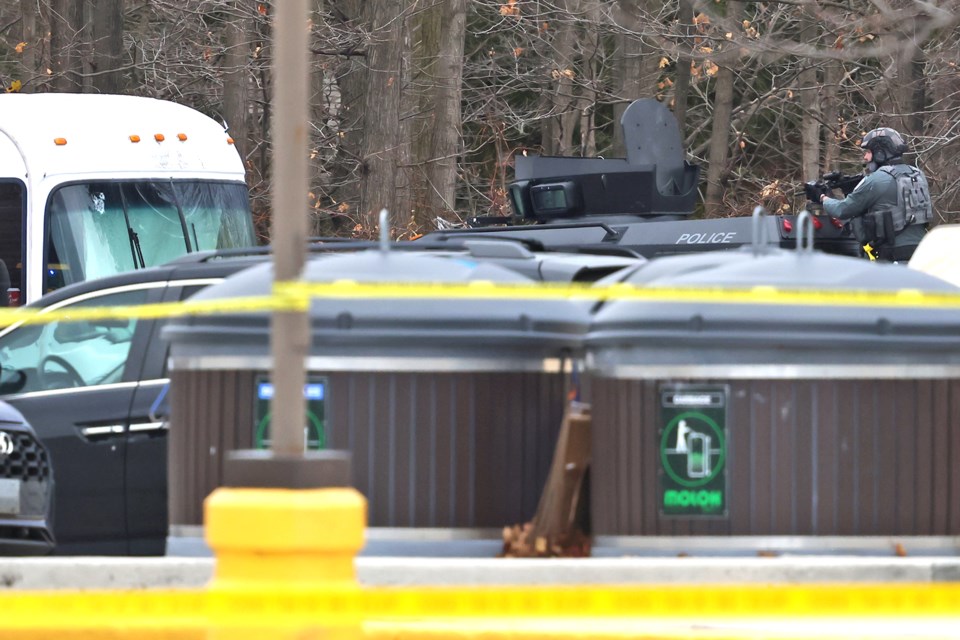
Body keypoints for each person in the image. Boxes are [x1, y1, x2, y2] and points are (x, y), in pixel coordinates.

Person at [819, 127, 933, 262]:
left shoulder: (878, 179)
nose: (865, 157)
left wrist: (823, 198)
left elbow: (842, 209)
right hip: (920, 256)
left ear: (880, 152)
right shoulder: (918, 174)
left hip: (891, 258)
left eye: (868, 152)